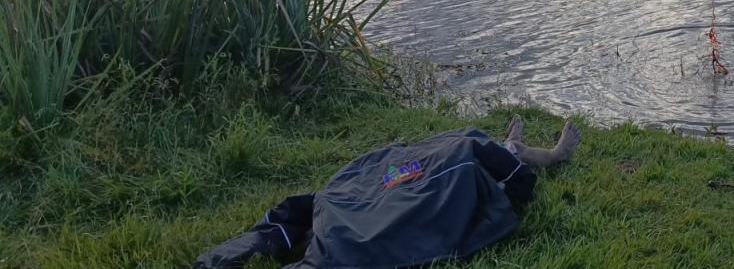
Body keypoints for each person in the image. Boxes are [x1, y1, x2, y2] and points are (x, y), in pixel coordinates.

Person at [194, 117, 581, 268]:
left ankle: (512, 149)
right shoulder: (334, 255)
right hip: (362, 219)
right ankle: (531, 155)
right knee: (463, 160)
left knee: (451, 151)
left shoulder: (322, 219)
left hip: (364, 194)